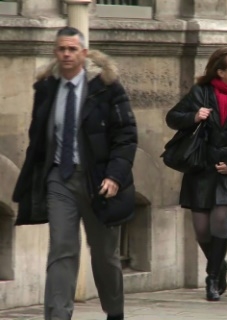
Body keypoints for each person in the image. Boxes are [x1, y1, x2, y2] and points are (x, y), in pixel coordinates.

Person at [11, 26, 137, 320]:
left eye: (72, 49)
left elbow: (127, 135)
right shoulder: (46, 89)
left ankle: (115, 312)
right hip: (60, 178)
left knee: (105, 255)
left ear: (83, 53)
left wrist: (115, 176)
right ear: (55, 53)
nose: (66, 54)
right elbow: (38, 138)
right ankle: (58, 315)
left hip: (99, 181)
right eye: (61, 49)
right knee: (62, 250)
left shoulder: (106, 87)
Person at [166, 44, 227, 302]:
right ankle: (220, 265)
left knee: (220, 220)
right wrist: (194, 116)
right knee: (201, 229)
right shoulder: (201, 93)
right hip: (201, 167)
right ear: (220, 72)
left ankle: (211, 278)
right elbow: (173, 117)